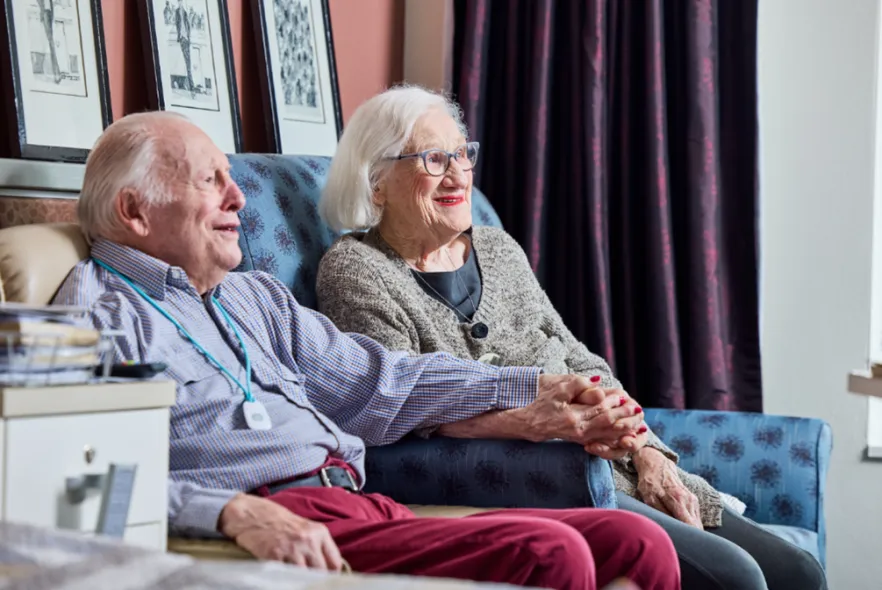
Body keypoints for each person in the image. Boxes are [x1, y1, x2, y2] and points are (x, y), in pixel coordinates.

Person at [53, 111, 680, 590]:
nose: (237, 198)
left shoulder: (254, 298)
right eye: (209, 181)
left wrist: (531, 386)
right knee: (553, 553)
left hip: (358, 502)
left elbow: (383, 382)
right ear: (134, 211)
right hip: (272, 523)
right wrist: (227, 514)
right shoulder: (92, 317)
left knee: (637, 541)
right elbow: (74, 479)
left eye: (231, 179)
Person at [315, 85, 827, 590]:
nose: (456, 174)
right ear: (376, 181)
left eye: (460, 154)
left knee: (799, 574)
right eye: (432, 158)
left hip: (614, 458)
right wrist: (547, 422)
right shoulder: (356, 270)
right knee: (737, 579)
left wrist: (647, 451)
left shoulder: (496, 249)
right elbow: (400, 402)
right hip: (545, 475)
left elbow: (580, 356)